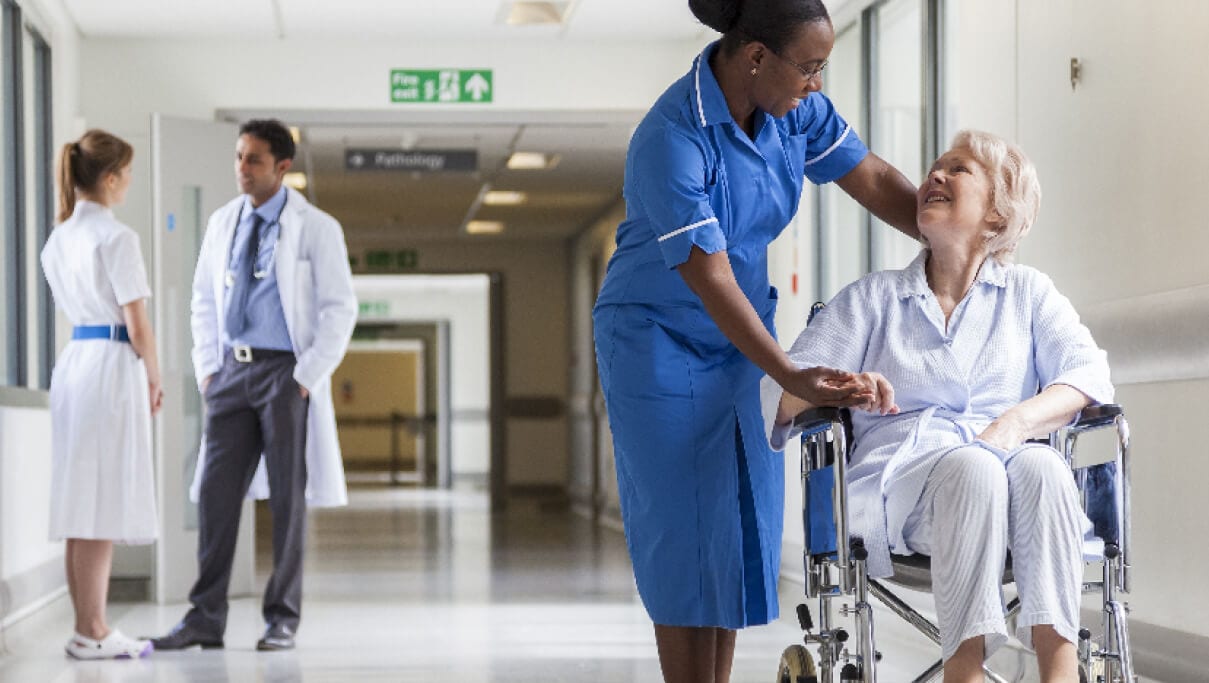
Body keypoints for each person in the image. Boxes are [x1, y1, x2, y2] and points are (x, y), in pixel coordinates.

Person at [591, 1, 923, 680]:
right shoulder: (672, 134)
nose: (816, 84)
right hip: (656, 337)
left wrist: (951, 235)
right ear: (753, 57)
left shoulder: (792, 112)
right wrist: (791, 375)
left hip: (740, 337)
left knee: (733, 520)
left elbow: (875, 179)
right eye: (808, 67)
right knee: (682, 530)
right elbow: (707, 275)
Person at [763, 129, 1112, 682]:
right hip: (900, 489)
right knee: (977, 466)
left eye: (959, 170)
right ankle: (964, 670)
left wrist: (1014, 423)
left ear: (997, 216)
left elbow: (1089, 375)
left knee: (1044, 463)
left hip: (1015, 482)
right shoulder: (871, 299)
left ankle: (1059, 671)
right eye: (935, 168)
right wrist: (837, 386)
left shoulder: (1028, 294)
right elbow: (779, 395)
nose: (935, 177)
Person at [151, 118, 357, 652]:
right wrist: (206, 369)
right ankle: (204, 616)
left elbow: (340, 308)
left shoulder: (316, 227)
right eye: (239, 157)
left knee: (288, 499)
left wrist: (307, 376)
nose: (242, 169)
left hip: (286, 373)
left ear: (283, 167)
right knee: (216, 495)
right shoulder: (223, 222)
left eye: (254, 160)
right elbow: (201, 298)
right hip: (230, 373)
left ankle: (282, 617)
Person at [41, 129, 163, 660]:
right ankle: (92, 628)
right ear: (110, 178)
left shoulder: (59, 237)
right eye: (128, 173)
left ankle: (86, 625)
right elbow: (138, 324)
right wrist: (155, 375)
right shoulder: (117, 238)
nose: (130, 182)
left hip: (75, 364)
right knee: (101, 499)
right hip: (112, 365)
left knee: (81, 498)